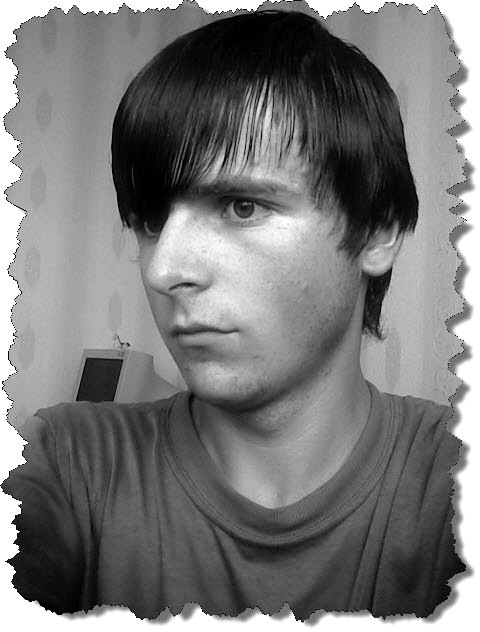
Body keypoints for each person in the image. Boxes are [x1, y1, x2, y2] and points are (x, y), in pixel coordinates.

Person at [3, 9, 464, 619]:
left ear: (377, 230)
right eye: (150, 222)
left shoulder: (452, 481)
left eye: (241, 206)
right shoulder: (66, 463)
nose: (164, 270)